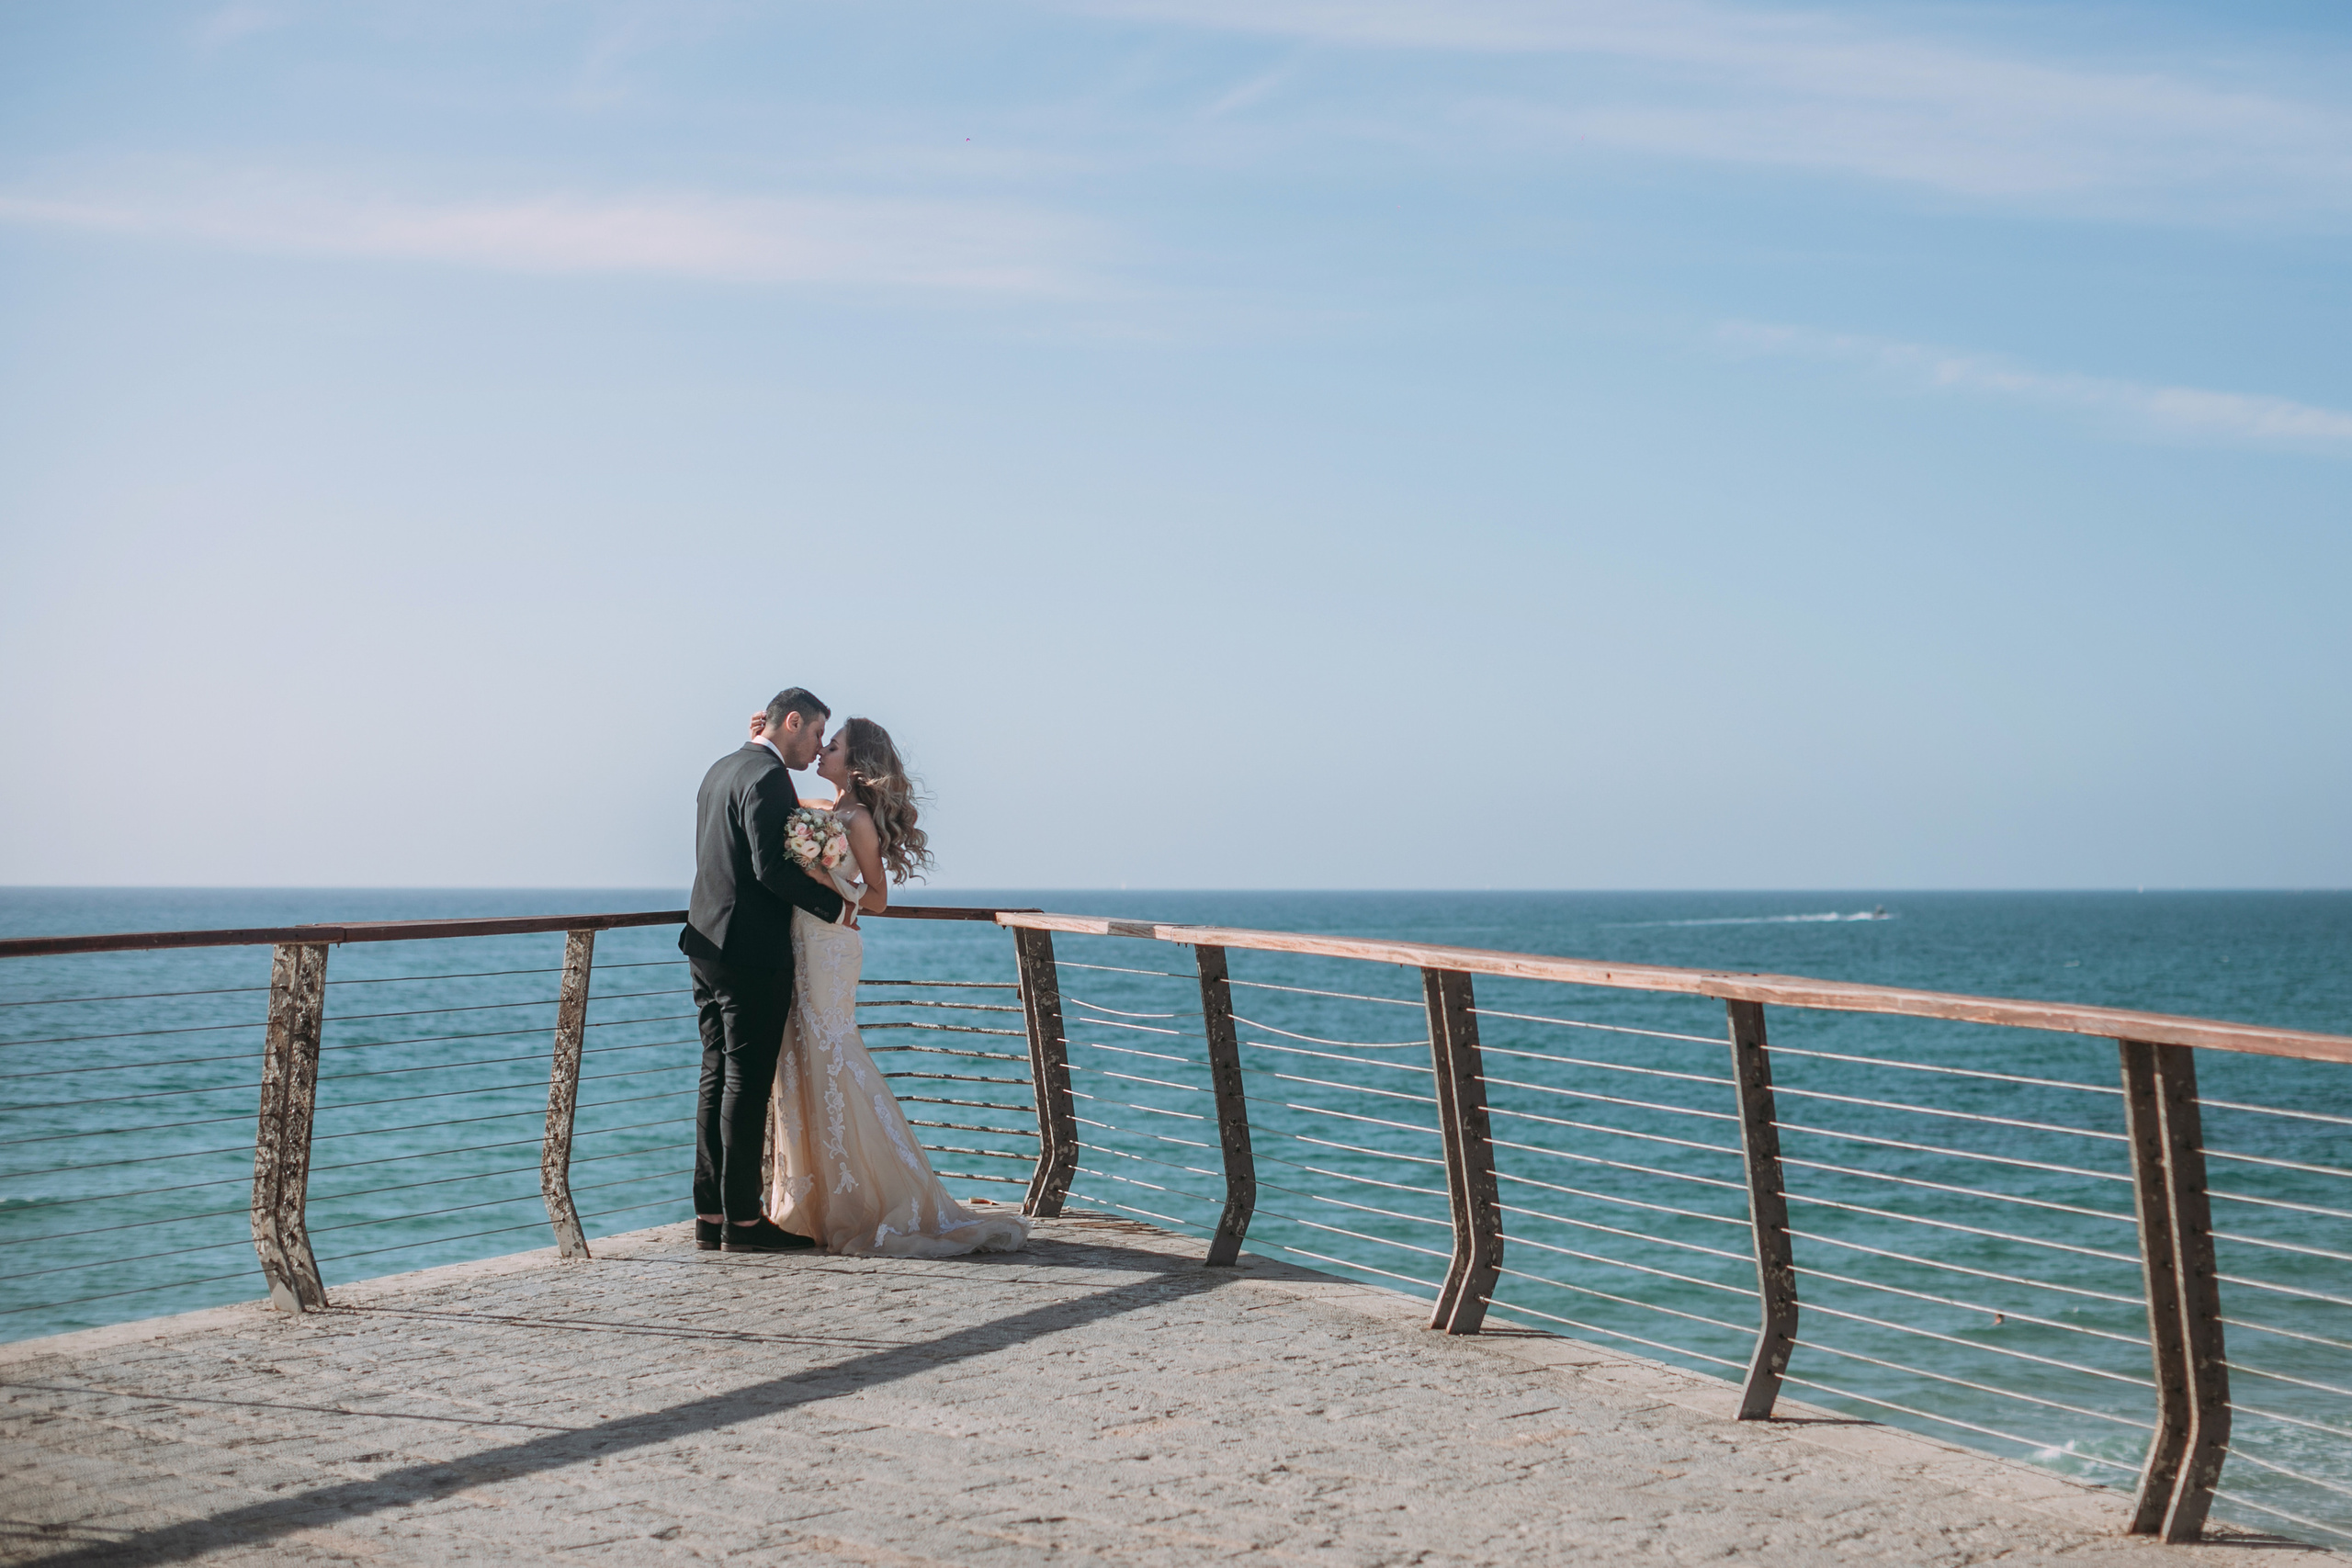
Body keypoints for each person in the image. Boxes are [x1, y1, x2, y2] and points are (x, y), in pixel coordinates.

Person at [750, 710, 1032, 1257]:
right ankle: (815, 1199)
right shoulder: (826, 810)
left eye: (831, 745)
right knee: (801, 1057)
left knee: (833, 1053)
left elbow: (877, 898)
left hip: (830, 947)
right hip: (800, 942)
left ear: (854, 764)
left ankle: (875, 1193)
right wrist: (754, 737)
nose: (821, 750)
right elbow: (768, 792)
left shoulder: (856, 820)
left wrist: (822, 883)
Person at [680, 688, 854, 1254]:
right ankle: (745, 1226)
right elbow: (769, 869)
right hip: (750, 952)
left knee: (715, 1081)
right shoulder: (767, 777)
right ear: (793, 722)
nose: (817, 747)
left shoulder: (721, 768)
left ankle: (710, 1218)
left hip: (705, 945)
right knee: (746, 1086)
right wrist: (839, 909)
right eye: (815, 734)